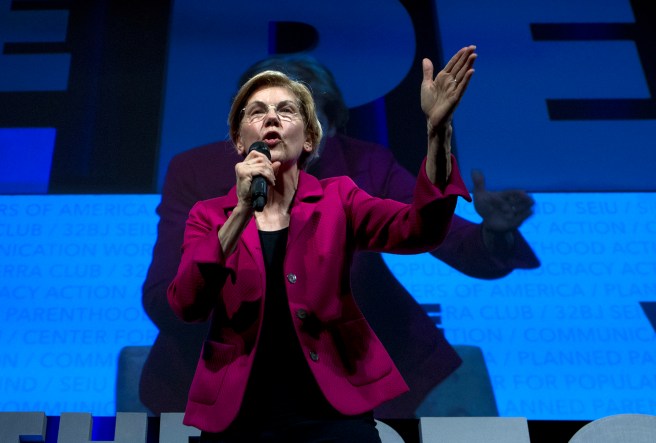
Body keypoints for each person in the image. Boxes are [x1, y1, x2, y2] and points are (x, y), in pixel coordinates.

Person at [140, 52, 540, 420]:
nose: (273, 125)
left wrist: (441, 142)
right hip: (224, 380)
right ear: (237, 132)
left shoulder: (354, 176)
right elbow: (167, 300)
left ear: (323, 127)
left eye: (294, 112)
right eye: (258, 112)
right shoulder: (199, 181)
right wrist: (241, 217)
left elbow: (430, 231)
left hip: (345, 375)